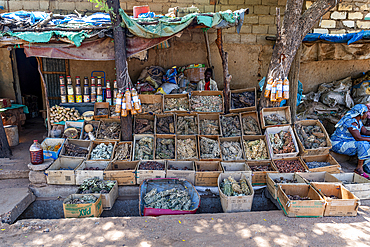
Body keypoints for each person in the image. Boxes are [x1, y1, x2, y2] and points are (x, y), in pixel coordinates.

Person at [331, 104, 370, 179]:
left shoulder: (358, 120)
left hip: (348, 141)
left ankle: (366, 164)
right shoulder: (351, 121)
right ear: (361, 113)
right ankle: (359, 169)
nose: (367, 115)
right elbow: (358, 138)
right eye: (366, 113)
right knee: (364, 144)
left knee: (366, 140)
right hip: (338, 144)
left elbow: (364, 132)